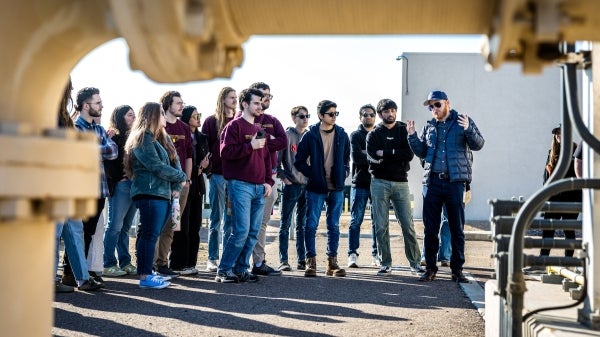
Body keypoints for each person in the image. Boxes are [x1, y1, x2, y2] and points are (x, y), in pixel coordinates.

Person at [407, 90, 485, 283]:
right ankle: (431, 269)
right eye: (431, 106)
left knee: (456, 228)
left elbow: (478, 144)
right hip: (432, 183)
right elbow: (423, 152)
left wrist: (468, 129)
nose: (434, 109)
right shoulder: (430, 126)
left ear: (447, 103)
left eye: (437, 105)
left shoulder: (462, 121)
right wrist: (412, 137)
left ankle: (457, 270)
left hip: (455, 182)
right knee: (430, 228)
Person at [125, 102, 187, 289]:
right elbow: (156, 166)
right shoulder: (143, 137)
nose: (164, 116)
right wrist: (181, 177)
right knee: (149, 235)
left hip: (159, 193)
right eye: (161, 113)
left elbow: (171, 163)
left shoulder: (156, 138)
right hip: (150, 193)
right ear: (152, 116)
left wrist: (177, 181)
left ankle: (148, 274)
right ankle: (145, 277)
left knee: (151, 234)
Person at [216, 88, 273, 283]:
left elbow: (266, 159)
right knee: (240, 230)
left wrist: (268, 181)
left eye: (261, 103)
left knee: (252, 232)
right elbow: (226, 153)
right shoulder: (233, 127)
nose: (260, 106)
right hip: (240, 185)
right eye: (256, 103)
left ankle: (240, 269)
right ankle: (223, 270)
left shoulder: (259, 129)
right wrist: (249, 147)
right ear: (245, 104)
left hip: (259, 187)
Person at [62, 87, 118, 285]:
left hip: (99, 190)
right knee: (78, 234)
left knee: (89, 233)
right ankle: (71, 274)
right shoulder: (74, 128)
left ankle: (80, 275)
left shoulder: (99, 129)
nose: (102, 106)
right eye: (98, 103)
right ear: (86, 106)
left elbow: (113, 151)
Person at [55, 78, 103, 292]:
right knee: (53, 233)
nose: (72, 90)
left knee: (75, 230)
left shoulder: (64, 115)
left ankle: (82, 279)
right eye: (69, 85)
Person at [366, 99, 422, 276]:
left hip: (401, 182)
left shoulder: (403, 130)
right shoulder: (373, 134)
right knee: (381, 225)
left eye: (393, 110)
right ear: (380, 113)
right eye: (386, 111)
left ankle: (415, 263)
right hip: (379, 182)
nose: (390, 114)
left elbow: (409, 154)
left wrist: (388, 153)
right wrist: (396, 155)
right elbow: (373, 156)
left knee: (408, 224)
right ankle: (385, 263)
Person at [295, 100, 350, 278]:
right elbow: (299, 161)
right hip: (316, 187)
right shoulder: (310, 135)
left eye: (336, 113)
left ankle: (331, 264)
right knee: (311, 225)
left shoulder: (342, 134)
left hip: (336, 187)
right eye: (330, 114)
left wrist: (344, 172)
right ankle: (311, 263)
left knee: (334, 226)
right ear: (320, 115)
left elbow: (346, 159)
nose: (334, 117)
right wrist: (313, 174)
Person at [248, 82, 287, 277]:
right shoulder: (242, 120)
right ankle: (236, 264)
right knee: (241, 225)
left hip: (269, 176)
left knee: (261, 222)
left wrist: (265, 142)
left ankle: (258, 262)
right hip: (247, 177)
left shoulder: (272, 120)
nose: (267, 99)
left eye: (270, 96)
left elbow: (283, 141)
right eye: (264, 95)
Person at [155, 91, 194, 277]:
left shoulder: (185, 128)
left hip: (181, 185)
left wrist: (187, 179)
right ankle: (151, 263)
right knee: (156, 225)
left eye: (182, 102)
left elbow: (188, 156)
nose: (181, 106)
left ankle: (162, 263)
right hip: (161, 184)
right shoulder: (158, 128)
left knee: (172, 224)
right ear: (167, 104)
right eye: (178, 103)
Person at [171, 106, 210, 274]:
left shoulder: (202, 137)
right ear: (187, 118)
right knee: (181, 226)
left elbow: (208, 161)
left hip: (197, 187)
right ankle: (178, 263)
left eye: (199, 115)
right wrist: (197, 169)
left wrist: (203, 168)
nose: (198, 118)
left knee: (195, 226)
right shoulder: (181, 135)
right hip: (183, 183)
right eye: (195, 115)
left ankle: (191, 263)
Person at [201, 87, 237, 272]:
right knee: (215, 220)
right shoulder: (210, 121)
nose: (235, 100)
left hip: (235, 179)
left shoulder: (239, 122)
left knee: (230, 221)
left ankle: (227, 259)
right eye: (231, 97)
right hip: (217, 176)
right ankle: (212, 258)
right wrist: (208, 172)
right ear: (223, 99)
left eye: (236, 97)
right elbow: (204, 148)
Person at [102, 105, 138, 277]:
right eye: (130, 115)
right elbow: (108, 162)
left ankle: (125, 262)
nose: (134, 118)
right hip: (121, 187)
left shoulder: (135, 136)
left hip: (133, 185)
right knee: (114, 226)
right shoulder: (114, 135)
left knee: (125, 227)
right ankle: (108, 263)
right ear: (120, 117)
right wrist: (118, 178)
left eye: (134, 115)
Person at [277, 106, 309, 271]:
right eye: (302, 116)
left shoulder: (311, 136)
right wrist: (284, 178)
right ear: (294, 118)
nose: (305, 119)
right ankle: (283, 260)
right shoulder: (286, 135)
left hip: (307, 186)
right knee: (285, 224)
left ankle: (301, 259)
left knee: (302, 225)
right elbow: (276, 162)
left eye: (307, 116)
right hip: (291, 186)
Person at [539, 126, 580, 257]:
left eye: (561, 133)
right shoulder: (552, 152)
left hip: (571, 199)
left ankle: (569, 261)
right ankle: (542, 259)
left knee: (568, 231)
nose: (558, 135)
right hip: (553, 198)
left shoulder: (576, 151)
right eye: (556, 133)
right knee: (548, 230)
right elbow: (546, 177)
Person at [348, 104, 379, 268]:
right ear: (360, 117)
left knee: (377, 221)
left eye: (371, 115)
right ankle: (352, 254)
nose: (368, 117)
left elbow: (385, 158)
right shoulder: (355, 135)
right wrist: (376, 154)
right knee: (355, 221)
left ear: (375, 117)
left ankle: (376, 255)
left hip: (378, 183)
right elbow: (357, 158)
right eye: (365, 115)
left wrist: (366, 153)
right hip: (359, 183)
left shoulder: (380, 134)